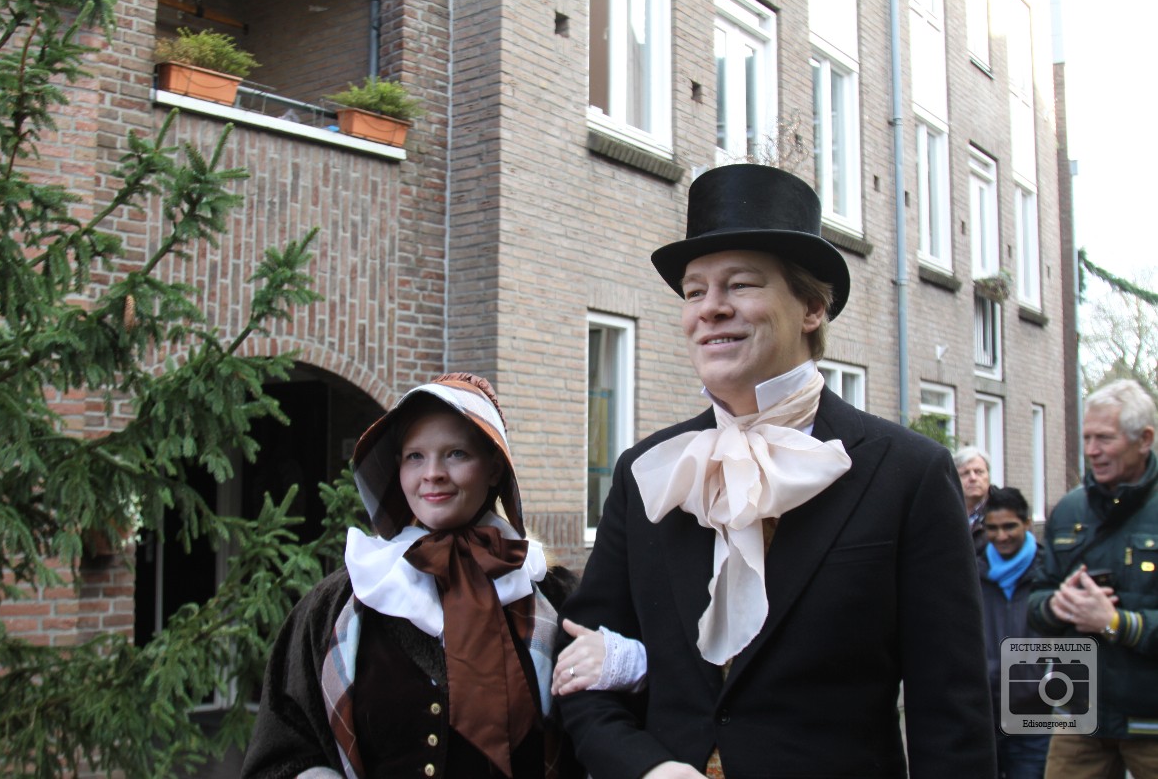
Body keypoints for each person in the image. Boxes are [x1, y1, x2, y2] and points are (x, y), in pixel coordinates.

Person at [556, 164, 995, 778]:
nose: (711, 309)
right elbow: (584, 670)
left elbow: (951, 714)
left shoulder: (909, 474)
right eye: (694, 292)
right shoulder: (646, 473)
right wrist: (648, 769)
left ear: (811, 307)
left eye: (740, 284)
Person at [242, 373, 579, 779]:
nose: (432, 473)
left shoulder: (553, 598)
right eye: (415, 456)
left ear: (494, 468)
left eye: (456, 454)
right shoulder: (337, 606)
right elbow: (283, 748)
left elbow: (601, 730)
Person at [1027, 378, 1158, 779]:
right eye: (1086, 438)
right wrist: (1056, 605)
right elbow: (1035, 602)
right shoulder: (1069, 510)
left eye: (1104, 438)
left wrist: (1117, 623)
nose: (1091, 451)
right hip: (1080, 717)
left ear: (1145, 439)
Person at [978, 486, 1050, 779]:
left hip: (1035, 716)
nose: (1001, 536)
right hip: (984, 714)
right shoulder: (970, 571)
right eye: (992, 528)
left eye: (1009, 526)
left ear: (1027, 524)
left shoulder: (1049, 572)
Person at [955, 445, 995, 552]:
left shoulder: (1005, 509)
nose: (973, 478)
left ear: (988, 476)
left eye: (978, 472)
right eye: (965, 473)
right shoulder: (945, 511)